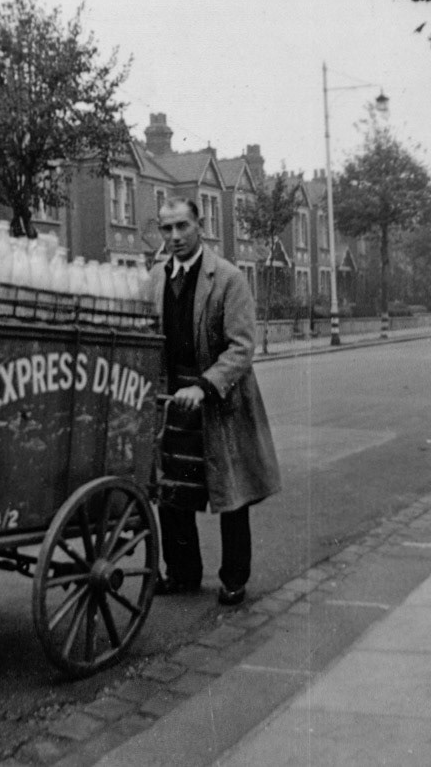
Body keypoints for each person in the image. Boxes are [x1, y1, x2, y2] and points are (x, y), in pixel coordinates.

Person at [149, 197, 280, 605]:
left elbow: (241, 348)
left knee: (230, 492)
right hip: (173, 399)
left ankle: (234, 578)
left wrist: (203, 387)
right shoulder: (156, 277)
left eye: (182, 226)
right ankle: (182, 571)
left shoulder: (227, 277)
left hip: (220, 401)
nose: (174, 236)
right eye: (166, 228)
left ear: (200, 226)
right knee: (171, 488)